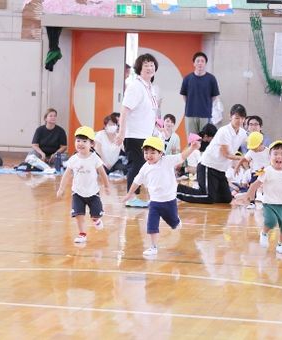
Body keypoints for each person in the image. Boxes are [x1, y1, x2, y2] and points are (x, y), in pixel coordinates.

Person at [123, 136, 200, 256]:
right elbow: (136, 181)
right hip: (154, 202)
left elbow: (181, 157)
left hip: (169, 201)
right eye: (146, 152)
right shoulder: (145, 168)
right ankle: (153, 247)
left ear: (161, 153)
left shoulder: (167, 161)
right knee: (151, 225)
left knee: (174, 224)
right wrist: (129, 194)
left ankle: (176, 221)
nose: (149, 155)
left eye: (153, 152)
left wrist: (192, 148)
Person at [176, 104, 247, 204]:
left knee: (226, 199)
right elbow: (226, 154)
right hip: (208, 166)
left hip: (221, 170)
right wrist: (243, 158)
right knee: (208, 197)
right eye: (237, 118)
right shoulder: (224, 131)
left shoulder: (243, 133)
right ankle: (176, 190)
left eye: (242, 118)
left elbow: (249, 146)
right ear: (230, 117)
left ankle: (210, 194)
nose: (240, 121)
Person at [116, 53, 159, 208]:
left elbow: (149, 111)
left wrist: (156, 125)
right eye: (146, 65)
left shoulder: (150, 87)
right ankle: (131, 197)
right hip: (134, 135)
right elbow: (124, 110)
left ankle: (139, 195)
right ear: (139, 68)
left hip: (145, 135)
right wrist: (121, 133)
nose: (149, 67)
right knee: (137, 165)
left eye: (152, 65)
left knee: (143, 166)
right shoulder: (135, 86)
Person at [56, 126, 110, 244]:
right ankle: (82, 234)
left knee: (95, 216)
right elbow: (66, 174)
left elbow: (102, 173)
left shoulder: (95, 158)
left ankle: (96, 221)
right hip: (77, 193)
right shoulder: (74, 159)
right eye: (78, 140)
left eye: (84, 141)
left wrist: (106, 186)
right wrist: (61, 189)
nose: (80, 143)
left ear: (92, 144)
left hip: (93, 193)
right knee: (78, 215)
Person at [180, 51, 220, 135]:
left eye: (202, 61)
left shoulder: (211, 79)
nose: (200, 63)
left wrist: (205, 105)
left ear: (205, 63)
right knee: (192, 141)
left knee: (204, 140)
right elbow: (184, 95)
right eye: (198, 61)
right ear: (194, 63)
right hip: (190, 114)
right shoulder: (187, 79)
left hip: (205, 114)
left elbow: (214, 97)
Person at [237, 131, 269, 209]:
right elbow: (243, 159)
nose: (253, 149)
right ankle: (252, 202)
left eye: (254, 147)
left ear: (261, 143)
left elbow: (272, 162)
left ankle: (267, 202)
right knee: (252, 186)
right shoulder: (251, 152)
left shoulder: (268, 151)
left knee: (267, 186)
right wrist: (237, 167)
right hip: (255, 172)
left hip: (266, 172)